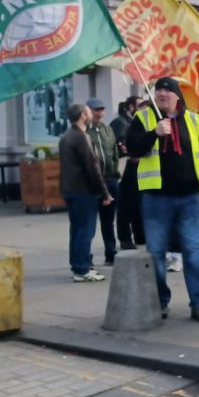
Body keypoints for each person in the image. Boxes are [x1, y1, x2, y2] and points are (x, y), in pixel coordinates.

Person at [125, 77, 199, 322]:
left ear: (178, 96)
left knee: (194, 250)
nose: (162, 93)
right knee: (155, 253)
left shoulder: (194, 120)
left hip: (189, 198)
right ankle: (160, 302)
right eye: (159, 90)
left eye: (167, 90)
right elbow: (132, 149)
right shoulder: (143, 118)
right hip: (156, 199)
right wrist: (154, 133)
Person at [58, 103, 112, 282]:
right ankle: (82, 268)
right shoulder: (82, 137)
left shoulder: (66, 136)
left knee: (76, 229)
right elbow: (92, 166)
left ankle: (77, 265)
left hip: (70, 189)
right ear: (82, 115)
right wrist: (105, 193)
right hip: (83, 190)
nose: (91, 114)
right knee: (85, 230)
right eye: (89, 112)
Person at [85, 98, 121, 266]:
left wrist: (115, 170)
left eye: (101, 110)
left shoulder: (107, 129)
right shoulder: (85, 132)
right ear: (88, 112)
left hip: (110, 180)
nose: (99, 113)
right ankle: (87, 255)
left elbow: (114, 151)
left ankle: (110, 252)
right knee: (90, 222)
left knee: (108, 221)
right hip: (93, 184)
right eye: (95, 110)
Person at [112, 96, 144, 251]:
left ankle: (140, 234)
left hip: (139, 166)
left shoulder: (137, 122)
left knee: (138, 203)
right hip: (127, 167)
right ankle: (125, 237)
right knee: (126, 204)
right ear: (131, 107)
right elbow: (120, 145)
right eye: (139, 105)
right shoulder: (122, 123)